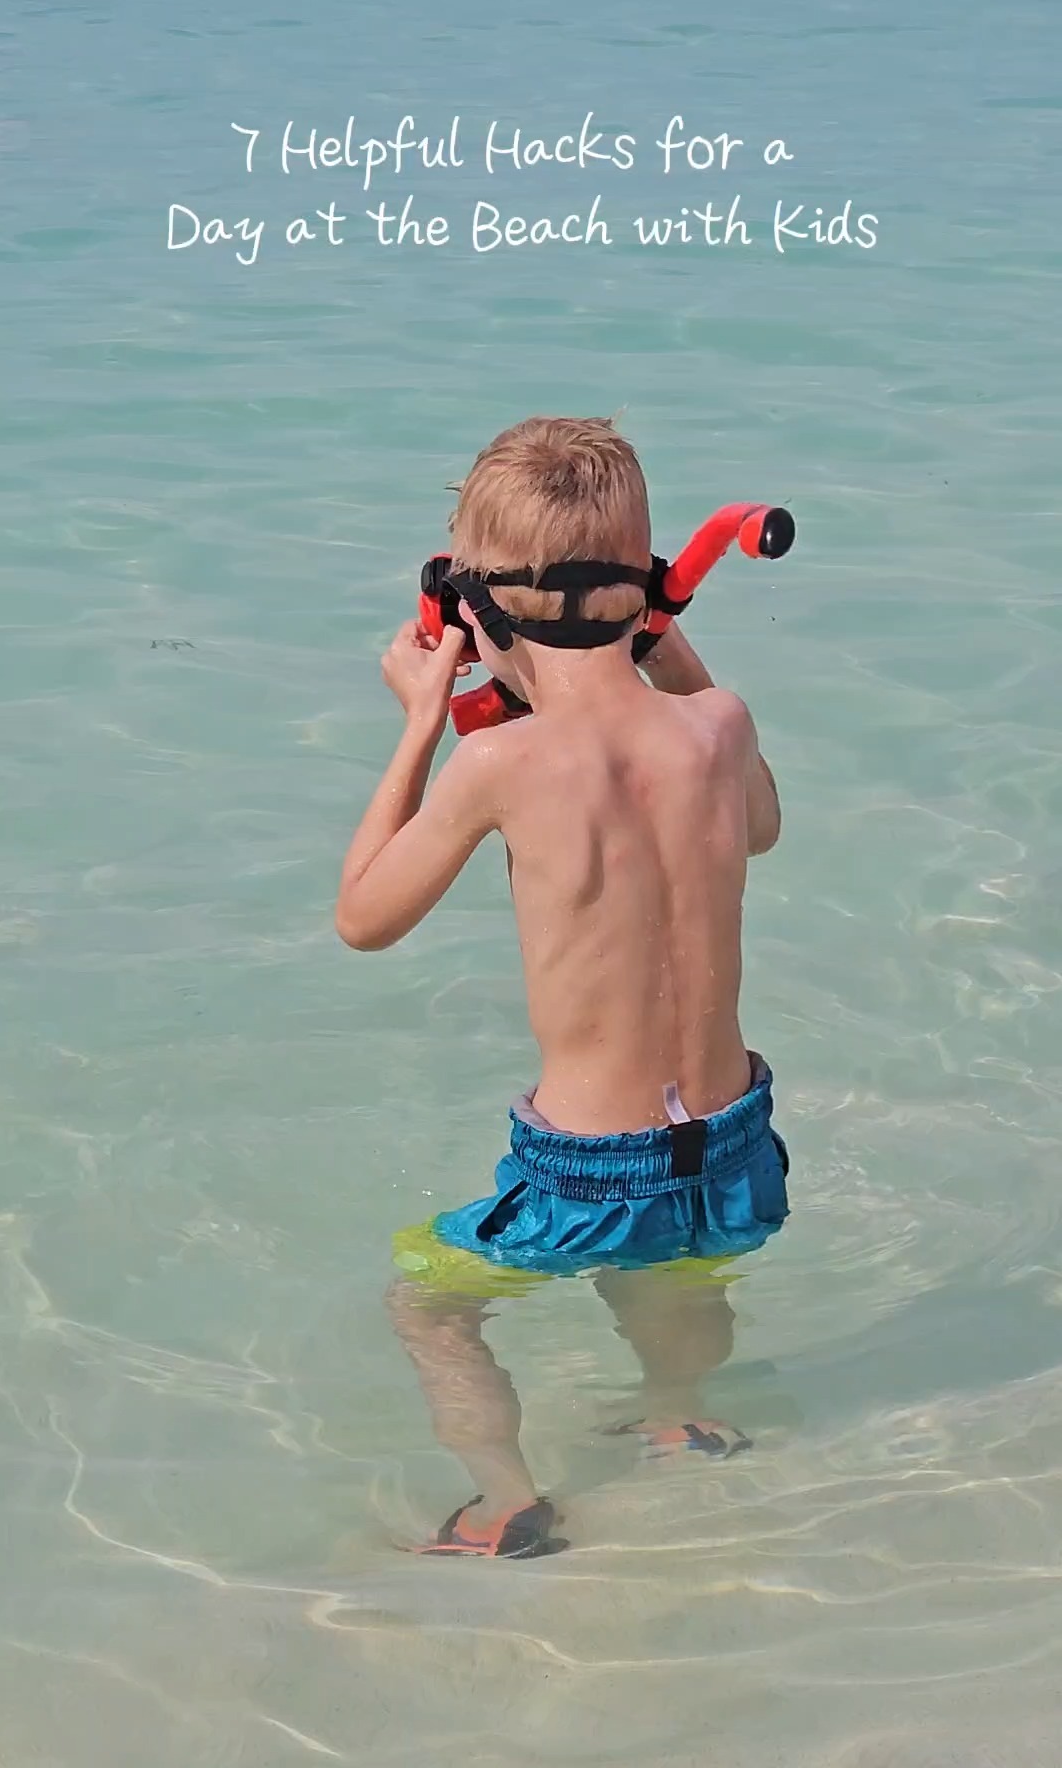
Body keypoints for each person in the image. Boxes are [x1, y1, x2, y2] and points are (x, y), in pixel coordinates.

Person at [336, 417, 788, 1558]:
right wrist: (671, 650)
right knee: (678, 1267)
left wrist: (420, 725)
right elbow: (765, 830)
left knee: (427, 1299)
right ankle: (683, 1419)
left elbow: (363, 919)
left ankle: (506, 1503)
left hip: (591, 1170)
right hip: (734, 1143)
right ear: (646, 591)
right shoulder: (720, 726)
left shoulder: (498, 763)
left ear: (470, 609)